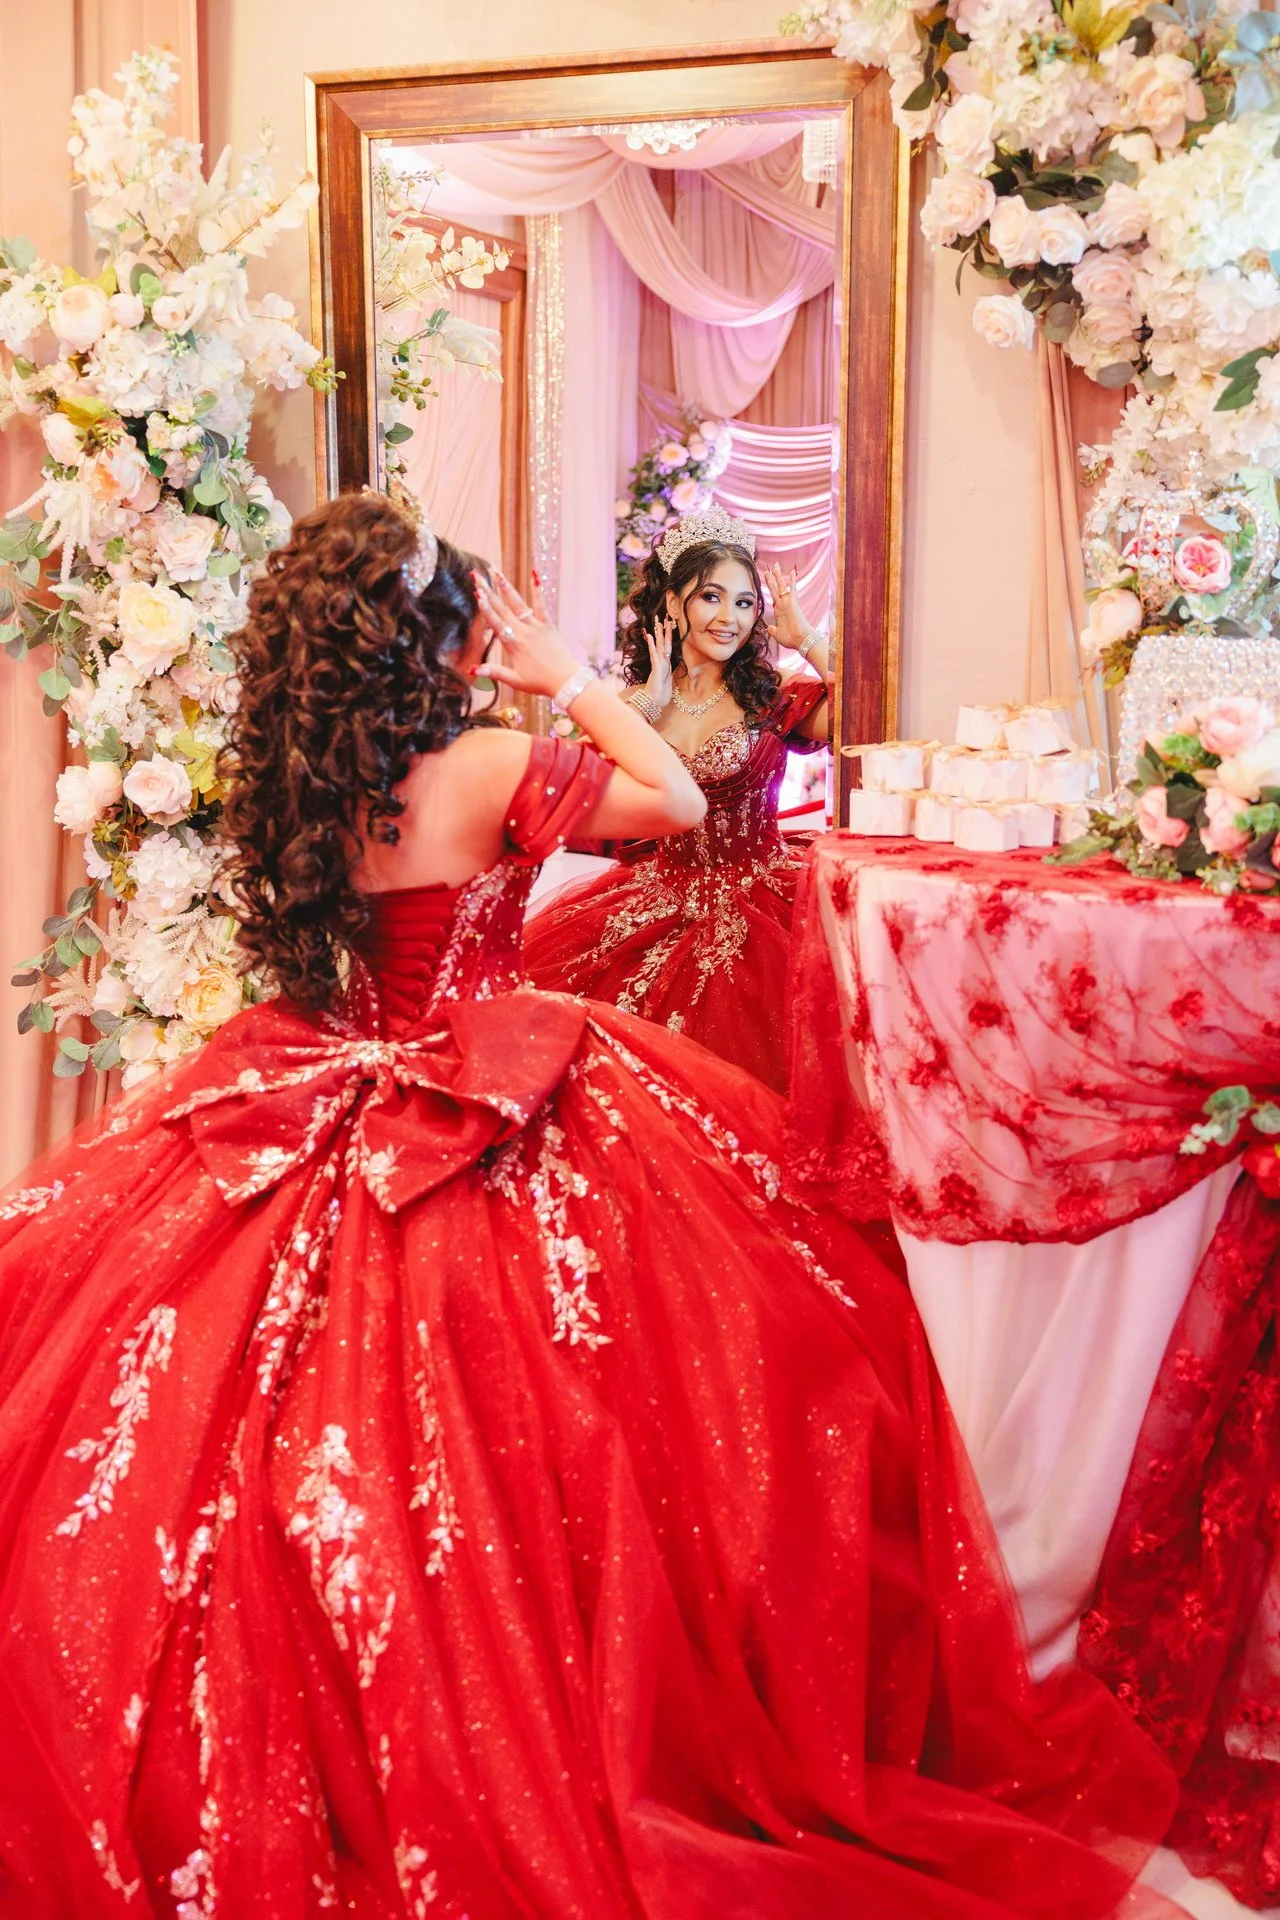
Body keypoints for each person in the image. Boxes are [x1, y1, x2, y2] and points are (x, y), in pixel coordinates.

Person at [0, 490, 1181, 1918]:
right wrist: (562, 673)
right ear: (443, 633)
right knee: (632, 1419)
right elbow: (676, 802)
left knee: (257, 1427)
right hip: (487, 1094)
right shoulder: (493, 755)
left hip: (315, 1079)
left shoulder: (303, 775)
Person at [523, 505, 829, 1093]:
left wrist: (807, 637)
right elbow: (582, 782)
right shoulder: (633, 701)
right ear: (672, 602)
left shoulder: (772, 695)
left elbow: (869, 716)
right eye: (711, 597)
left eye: (744, 603)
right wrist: (648, 703)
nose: (729, 619)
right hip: (656, 897)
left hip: (764, 903)